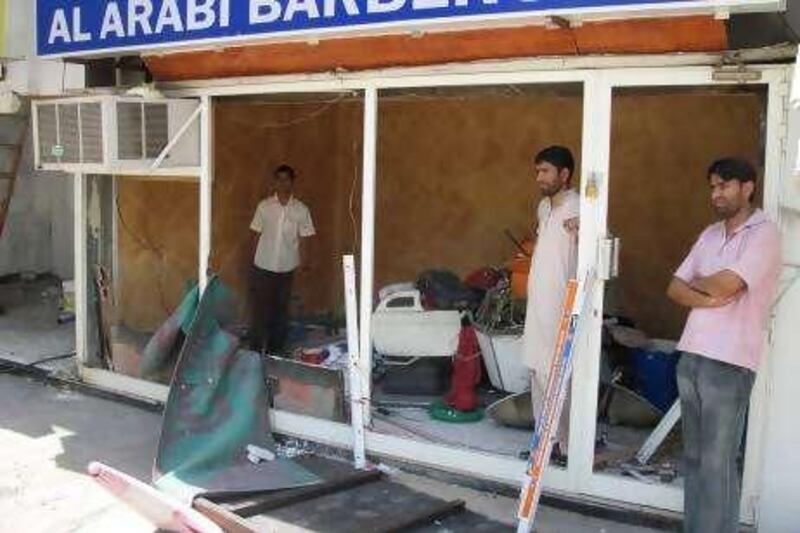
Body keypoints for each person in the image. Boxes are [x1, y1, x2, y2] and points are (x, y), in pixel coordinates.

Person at [666, 157, 781, 533]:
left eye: (724, 185)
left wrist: (700, 286)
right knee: (695, 458)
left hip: (729, 363)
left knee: (718, 463)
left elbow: (728, 285)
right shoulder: (710, 234)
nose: (716, 193)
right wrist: (705, 293)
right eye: (712, 186)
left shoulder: (765, 234)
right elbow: (674, 287)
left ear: (747, 187)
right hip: (692, 357)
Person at [521, 145, 580, 462]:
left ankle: (565, 447)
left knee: (559, 376)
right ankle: (543, 440)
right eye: (537, 172)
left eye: (545, 171)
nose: (539, 177)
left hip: (561, 306)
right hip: (538, 306)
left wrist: (583, 231)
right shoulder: (545, 208)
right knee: (538, 374)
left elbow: (602, 243)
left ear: (564, 174)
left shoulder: (581, 208)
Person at [249, 164, 316, 355]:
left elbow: (305, 238)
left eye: (286, 179)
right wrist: (252, 264)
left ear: (292, 182)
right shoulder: (264, 206)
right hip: (263, 265)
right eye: (279, 179)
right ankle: (254, 350)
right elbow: (254, 234)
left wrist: (304, 265)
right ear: (275, 182)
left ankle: (274, 351)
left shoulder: (301, 210)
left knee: (281, 311)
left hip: (287, 268)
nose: (282, 183)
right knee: (261, 310)